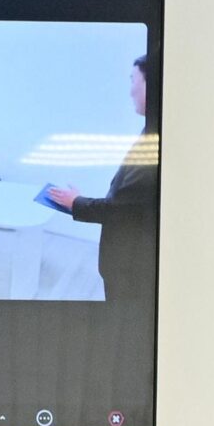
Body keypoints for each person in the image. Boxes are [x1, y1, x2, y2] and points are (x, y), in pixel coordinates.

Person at [49, 54, 160, 302]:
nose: (130, 91)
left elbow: (122, 208)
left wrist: (76, 202)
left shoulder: (154, 140)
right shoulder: (150, 129)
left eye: (133, 81)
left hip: (129, 264)